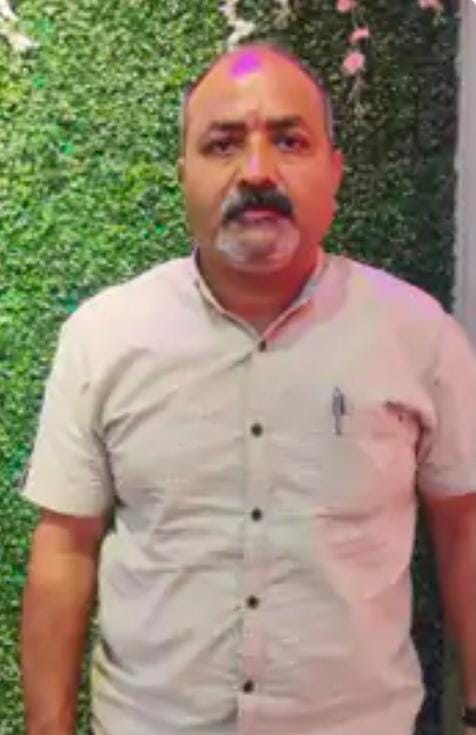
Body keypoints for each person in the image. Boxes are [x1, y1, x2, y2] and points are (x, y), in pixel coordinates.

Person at [20, 42, 476, 735]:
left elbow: (463, 529)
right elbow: (65, 547)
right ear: (184, 173)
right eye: (223, 144)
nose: (257, 171)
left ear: (334, 171)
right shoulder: (104, 336)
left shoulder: (418, 335)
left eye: (289, 141)